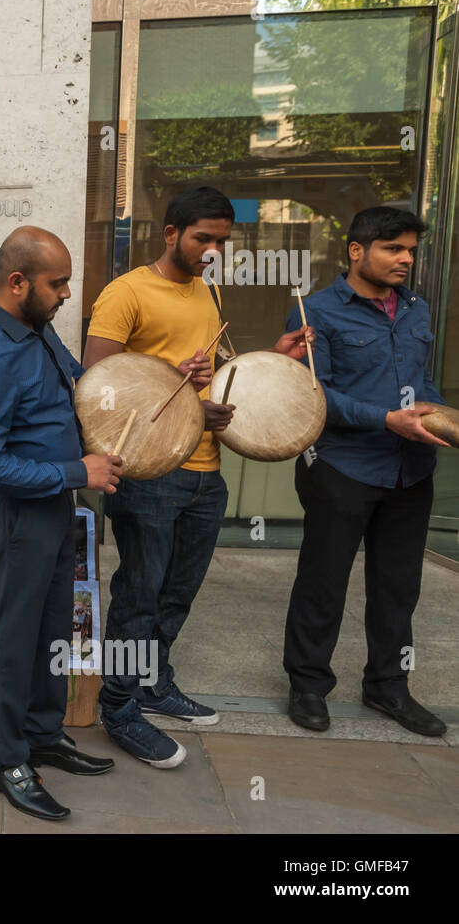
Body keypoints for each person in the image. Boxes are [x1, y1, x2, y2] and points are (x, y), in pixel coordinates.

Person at [83, 187, 314, 768]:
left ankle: (154, 683)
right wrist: (180, 393)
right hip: (150, 474)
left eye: (222, 241)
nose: (213, 250)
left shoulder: (207, 292)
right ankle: (119, 707)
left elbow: (206, 380)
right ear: (171, 234)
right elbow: (100, 388)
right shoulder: (127, 292)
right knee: (138, 597)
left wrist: (274, 356)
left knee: (177, 594)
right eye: (202, 238)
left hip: (208, 472)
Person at [0, 225, 117, 820]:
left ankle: (44, 734)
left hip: (50, 510)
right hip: (15, 515)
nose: (68, 294)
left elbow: (82, 387)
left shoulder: (36, 331)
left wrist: (173, 385)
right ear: (17, 282)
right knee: (14, 640)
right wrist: (77, 472)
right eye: (59, 283)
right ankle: (5, 760)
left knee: (51, 631)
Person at [284, 207, 448, 737]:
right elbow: (314, 395)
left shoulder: (417, 311)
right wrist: (385, 419)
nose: (406, 259)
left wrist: (440, 418)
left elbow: (422, 383)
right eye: (393, 248)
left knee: (399, 588)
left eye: (410, 250)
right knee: (323, 582)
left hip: (411, 471)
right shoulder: (317, 313)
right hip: (342, 468)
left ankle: (388, 687)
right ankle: (308, 685)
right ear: (356, 250)